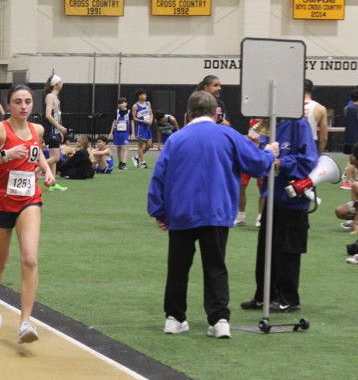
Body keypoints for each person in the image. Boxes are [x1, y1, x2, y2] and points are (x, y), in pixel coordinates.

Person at [148, 91, 277, 339]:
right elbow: (257, 164)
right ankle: (219, 320)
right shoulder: (228, 135)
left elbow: (159, 177)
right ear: (216, 113)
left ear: (188, 114)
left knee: (178, 268)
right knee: (215, 266)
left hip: (181, 212)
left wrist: (159, 211)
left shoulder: (176, 139)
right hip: (216, 212)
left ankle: (174, 318)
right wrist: (270, 152)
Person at [0, 84, 56, 343]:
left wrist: (47, 170)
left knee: (30, 259)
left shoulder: (37, 129)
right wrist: (6, 154)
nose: (23, 106)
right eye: (18, 102)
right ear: (9, 104)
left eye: (28, 101)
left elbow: (37, 151)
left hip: (29, 200)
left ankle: (25, 322)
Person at [240, 115, 317, 315]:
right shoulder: (270, 123)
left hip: (293, 198)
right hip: (273, 196)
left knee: (288, 250)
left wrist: (280, 163)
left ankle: (288, 299)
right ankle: (264, 296)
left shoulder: (298, 123)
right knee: (265, 249)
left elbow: (309, 160)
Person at [42, 74, 69, 192]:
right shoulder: (50, 96)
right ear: (55, 85)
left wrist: (59, 131)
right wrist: (59, 127)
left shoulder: (55, 97)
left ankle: (52, 183)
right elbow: (48, 115)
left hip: (55, 130)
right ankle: (33, 171)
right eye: (60, 82)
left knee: (53, 158)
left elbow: (56, 117)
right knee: (55, 158)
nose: (62, 84)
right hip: (51, 130)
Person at [303, 79, 328, 155]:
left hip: (294, 143)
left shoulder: (290, 108)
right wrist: (318, 154)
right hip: (311, 143)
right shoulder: (320, 108)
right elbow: (324, 138)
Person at [131, 88, 152, 168]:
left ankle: (136, 157)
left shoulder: (148, 103)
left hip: (148, 126)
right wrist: (142, 121)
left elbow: (151, 113)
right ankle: (143, 163)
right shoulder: (135, 106)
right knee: (140, 145)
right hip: (141, 127)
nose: (145, 96)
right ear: (139, 96)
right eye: (144, 94)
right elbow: (134, 118)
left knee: (149, 145)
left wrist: (150, 120)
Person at [109, 97, 131, 170]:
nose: (121, 104)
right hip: (117, 132)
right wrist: (111, 132)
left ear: (126, 103)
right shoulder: (117, 112)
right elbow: (114, 122)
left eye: (122, 103)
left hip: (125, 132)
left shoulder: (129, 112)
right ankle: (120, 162)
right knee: (118, 148)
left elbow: (132, 122)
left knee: (124, 147)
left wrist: (133, 133)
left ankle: (124, 163)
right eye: (120, 103)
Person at [343, 89, 358, 155]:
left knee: (350, 155)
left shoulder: (346, 108)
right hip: (357, 136)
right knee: (357, 155)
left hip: (347, 136)